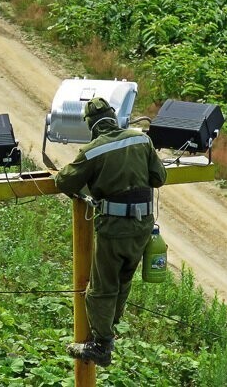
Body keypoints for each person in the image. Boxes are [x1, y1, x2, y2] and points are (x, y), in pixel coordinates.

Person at [55, 96, 167, 367]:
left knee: (102, 288)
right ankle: (110, 328)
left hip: (114, 228)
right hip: (142, 226)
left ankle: (101, 345)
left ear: (91, 125)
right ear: (115, 117)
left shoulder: (93, 151)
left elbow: (63, 181)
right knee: (123, 280)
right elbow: (159, 177)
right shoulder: (141, 140)